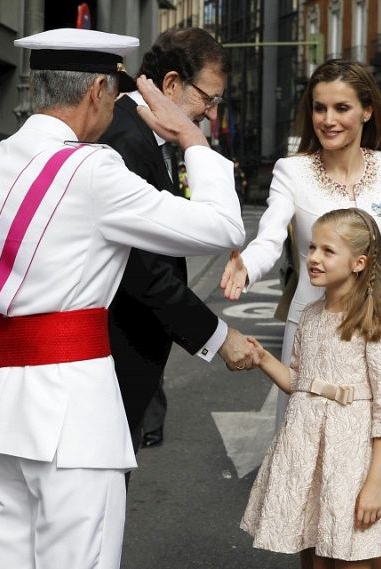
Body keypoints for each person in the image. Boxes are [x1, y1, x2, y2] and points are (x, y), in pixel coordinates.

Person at [0, 28, 245, 569]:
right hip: (73, 416)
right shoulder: (92, 170)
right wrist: (192, 141)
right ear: (99, 89)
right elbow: (222, 227)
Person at [219, 59, 381, 490]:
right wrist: (249, 264)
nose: (328, 120)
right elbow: (271, 234)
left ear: (367, 111)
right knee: (310, 483)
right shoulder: (292, 170)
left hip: (379, 332)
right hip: (314, 335)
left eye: (341, 108)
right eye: (319, 109)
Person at [99, 27, 253, 456]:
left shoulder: (138, 131)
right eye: (209, 98)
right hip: (114, 351)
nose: (211, 114)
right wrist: (218, 336)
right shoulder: (125, 138)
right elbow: (145, 270)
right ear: (171, 84)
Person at [241, 208, 381, 567]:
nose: (314, 258)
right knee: (314, 558)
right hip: (308, 457)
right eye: (312, 248)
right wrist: (263, 359)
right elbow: (301, 385)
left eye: (328, 251)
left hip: (354, 461)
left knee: (354, 554)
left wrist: (375, 482)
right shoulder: (310, 314)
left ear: (359, 263)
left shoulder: (376, 323)